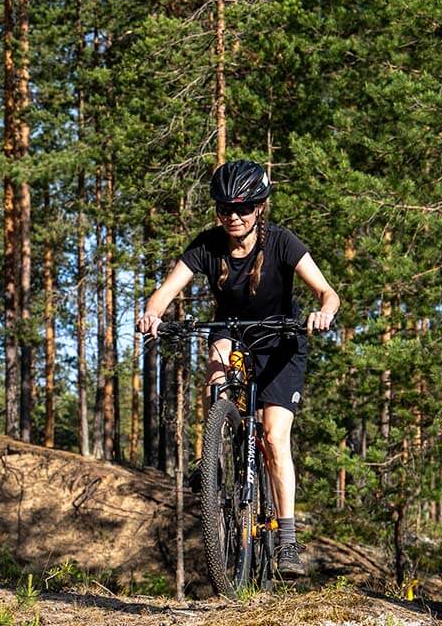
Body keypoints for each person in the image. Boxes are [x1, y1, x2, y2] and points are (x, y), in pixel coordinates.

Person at [137, 159, 340, 577]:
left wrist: (323, 312)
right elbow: (166, 290)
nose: (233, 216)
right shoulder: (207, 246)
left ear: (259, 208)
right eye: (225, 208)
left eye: (243, 208)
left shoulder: (282, 242)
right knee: (216, 377)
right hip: (231, 331)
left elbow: (327, 292)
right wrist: (152, 314)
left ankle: (286, 539)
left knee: (273, 435)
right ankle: (213, 453)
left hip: (281, 339)